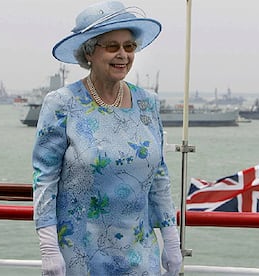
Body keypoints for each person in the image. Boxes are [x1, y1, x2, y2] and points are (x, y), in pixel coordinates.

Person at [32, 1, 182, 275]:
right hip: (80, 254)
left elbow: (159, 174)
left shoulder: (148, 103)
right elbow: (44, 178)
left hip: (141, 254)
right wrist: (48, 247)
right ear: (89, 52)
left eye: (129, 46)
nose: (123, 54)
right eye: (112, 46)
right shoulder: (62, 103)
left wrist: (171, 238)